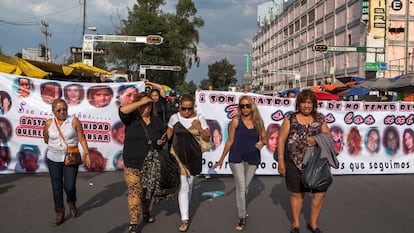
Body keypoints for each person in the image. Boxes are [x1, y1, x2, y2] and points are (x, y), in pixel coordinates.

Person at [277, 89, 331, 233]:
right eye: (303, 102)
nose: (306, 106)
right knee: (297, 193)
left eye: (309, 102)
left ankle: (313, 224)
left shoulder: (320, 119)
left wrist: (316, 140)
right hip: (293, 161)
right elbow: (281, 139)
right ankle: (295, 224)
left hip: (315, 162)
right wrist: (281, 161)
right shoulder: (290, 118)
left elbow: (328, 138)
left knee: (320, 193)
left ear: (314, 104)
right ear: (298, 104)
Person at [212, 95, 267, 231]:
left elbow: (264, 137)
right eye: (242, 106)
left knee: (245, 187)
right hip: (236, 157)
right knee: (241, 188)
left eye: (247, 105)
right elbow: (230, 141)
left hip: (253, 157)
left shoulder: (258, 121)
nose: (245, 108)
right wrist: (221, 159)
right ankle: (242, 216)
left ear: (252, 106)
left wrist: (262, 143)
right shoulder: (235, 121)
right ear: (239, 108)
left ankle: (242, 208)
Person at [119, 92, 166, 233]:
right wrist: (142, 101)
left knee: (147, 193)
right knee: (135, 192)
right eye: (144, 105)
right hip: (132, 163)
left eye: (149, 105)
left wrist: (162, 141)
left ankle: (146, 211)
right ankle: (134, 222)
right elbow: (122, 110)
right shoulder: (131, 119)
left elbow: (163, 137)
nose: (146, 108)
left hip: (150, 164)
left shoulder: (156, 120)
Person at [43, 99, 91, 226]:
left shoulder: (74, 121)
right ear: (53, 111)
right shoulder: (48, 123)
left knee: (69, 186)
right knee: (56, 187)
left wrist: (87, 155)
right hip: (53, 158)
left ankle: (71, 201)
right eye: (58, 110)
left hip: (71, 158)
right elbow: (46, 139)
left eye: (64, 109)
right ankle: (60, 213)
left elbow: (81, 138)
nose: (62, 112)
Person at [166, 93, 210, 232]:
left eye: (189, 108)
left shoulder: (199, 118)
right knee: (184, 185)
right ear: (179, 107)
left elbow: (207, 137)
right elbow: (168, 135)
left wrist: (199, 127)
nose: (186, 111)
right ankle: (185, 218)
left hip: (194, 155)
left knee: (190, 184)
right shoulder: (174, 118)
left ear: (193, 107)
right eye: (183, 108)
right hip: (178, 154)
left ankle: (185, 207)